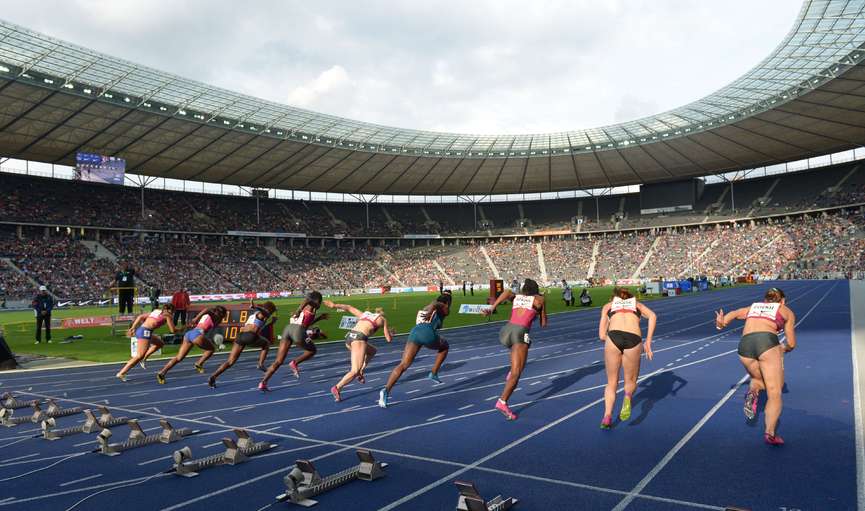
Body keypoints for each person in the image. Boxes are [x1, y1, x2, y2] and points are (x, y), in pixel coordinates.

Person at [715, 287, 796, 445]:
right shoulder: (785, 310)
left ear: (765, 300)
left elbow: (735, 313)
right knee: (774, 392)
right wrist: (783, 348)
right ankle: (770, 433)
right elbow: (791, 343)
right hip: (766, 342)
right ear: (783, 301)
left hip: (744, 346)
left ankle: (753, 391)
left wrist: (722, 323)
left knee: (758, 379)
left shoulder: (753, 307)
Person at [483, 279, 547, 420]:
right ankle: (502, 402)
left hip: (506, 332)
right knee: (517, 373)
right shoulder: (539, 299)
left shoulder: (517, 297)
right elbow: (543, 324)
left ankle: (512, 371)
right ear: (536, 290)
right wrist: (542, 309)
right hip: (520, 333)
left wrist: (493, 307)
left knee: (524, 347)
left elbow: (506, 292)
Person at [597, 287, 657, 430]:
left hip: (614, 337)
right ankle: (628, 396)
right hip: (634, 338)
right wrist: (648, 341)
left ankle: (607, 416)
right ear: (629, 297)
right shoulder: (637, 305)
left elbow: (601, 335)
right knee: (630, 381)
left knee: (611, 382)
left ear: (615, 298)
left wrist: (611, 340)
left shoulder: (608, 306)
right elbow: (653, 316)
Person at [378, 294, 452, 408]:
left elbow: (432, 305)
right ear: (447, 302)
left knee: (403, 364)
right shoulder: (444, 307)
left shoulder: (425, 307)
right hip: (427, 333)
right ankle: (434, 373)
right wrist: (434, 307)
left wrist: (431, 308)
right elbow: (437, 304)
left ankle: (386, 390)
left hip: (415, 332)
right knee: (445, 346)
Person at [325, 300, 394, 402]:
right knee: (354, 371)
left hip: (349, 338)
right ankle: (337, 387)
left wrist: (334, 305)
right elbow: (388, 339)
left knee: (372, 351)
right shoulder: (383, 319)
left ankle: (361, 370)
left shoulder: (365, 314)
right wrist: (392, 333)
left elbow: (348, 307)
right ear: (382, 314)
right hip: (359, 339)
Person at [258, 292, 328, 391]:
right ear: (317, 300)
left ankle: (263, 382)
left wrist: (319, 318)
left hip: (288, 329)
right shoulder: (314, 306)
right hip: (298, 331)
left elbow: (306, 322)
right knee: (312, 350)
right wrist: (299, 310)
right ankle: (294, 363)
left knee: (278, 361)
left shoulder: (307, 309)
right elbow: (307, 300)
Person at [208, 301, 277, 387]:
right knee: (266, 343)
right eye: (272, 311)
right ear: (269, 309)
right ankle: (260, 364)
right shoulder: (262, 314)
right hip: (250, 336)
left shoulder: (255, 315)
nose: (272, 313)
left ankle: (213, 376)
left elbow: (260, 326)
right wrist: (255, 306)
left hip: (240, 336)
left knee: (230, 361)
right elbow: (264, 312)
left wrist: (271, 323)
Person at [156, 305, 227, 384]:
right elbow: (207, 309)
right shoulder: (215, 316)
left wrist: (197, 319)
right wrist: (196, 318)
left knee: (178, 358)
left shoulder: (211, 316)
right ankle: (199, 363)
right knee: (211, 349)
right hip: (197, 335)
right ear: (221, 314)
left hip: (189, 334)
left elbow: (207, 314)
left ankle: (162, 372)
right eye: (224, 315)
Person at [116, 304, 177, 381]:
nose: (173, 313)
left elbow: (140, 316)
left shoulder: (156, 311)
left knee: (160, 344)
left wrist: (133, 327)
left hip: (143, 330)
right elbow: (173, 330)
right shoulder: (167, 316)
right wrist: (183, 328)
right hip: (145, 332)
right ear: (169, 310)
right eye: (173, 311)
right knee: (139, 356)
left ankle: (144, 358)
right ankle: (122, 373)